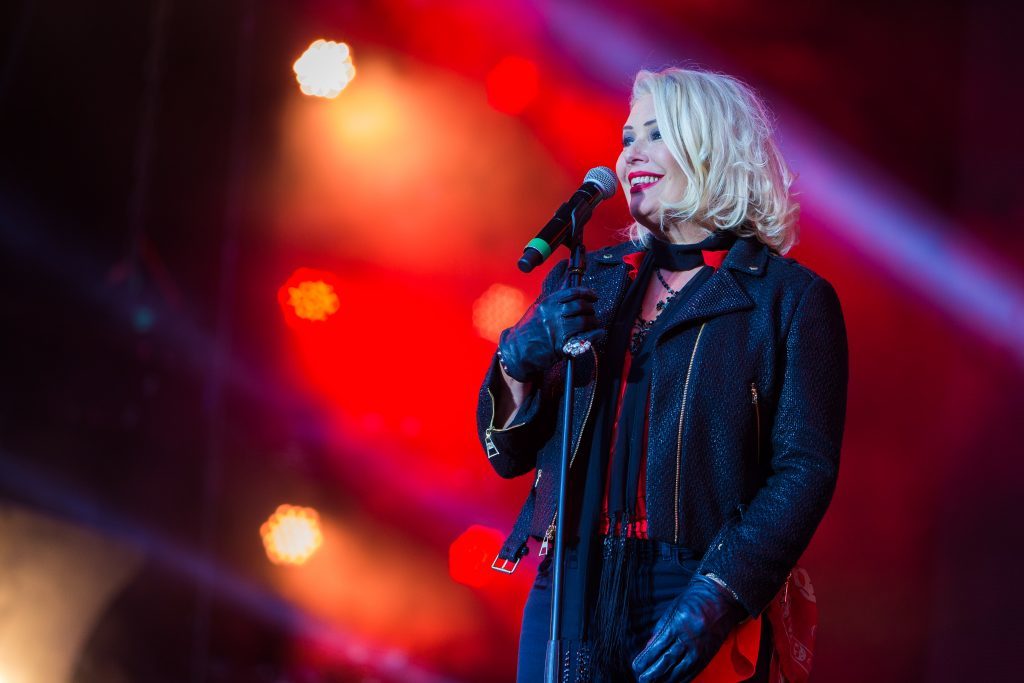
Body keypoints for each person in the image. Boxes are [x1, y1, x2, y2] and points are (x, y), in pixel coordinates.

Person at [476, 67, 848, 683]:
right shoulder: (586, 279)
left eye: (656, 134)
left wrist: (719, 594)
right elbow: (508, 457)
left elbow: (804, 470)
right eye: (627, 138)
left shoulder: (787, 298)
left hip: (692, 577)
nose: (630, 155)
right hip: (566, 576)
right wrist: (518, 356)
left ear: (712, 147)